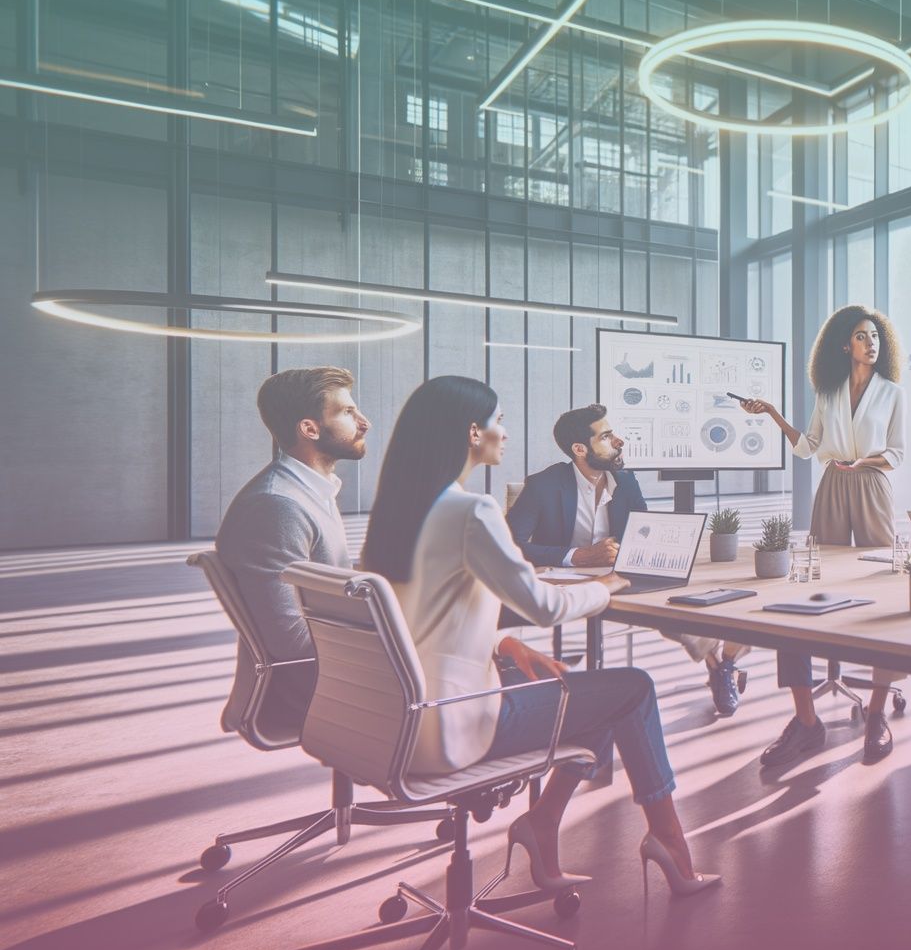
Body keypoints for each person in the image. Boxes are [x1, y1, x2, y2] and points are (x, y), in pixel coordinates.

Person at [360, 376, 717, 896]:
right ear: (470, 434)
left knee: (588, 692)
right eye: (498, 422)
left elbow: (413, 617)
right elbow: (544, 605)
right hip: (455, 726)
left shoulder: (401, 512)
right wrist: (608, 584)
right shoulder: (469, 511)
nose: (504, 433)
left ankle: (543, 822)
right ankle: (670, 844)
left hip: (403, 718)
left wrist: (503, 644)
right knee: (632, 689)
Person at [739, 304, 907, 764]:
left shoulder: (892, 392)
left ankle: (876, 713)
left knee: (883, 594)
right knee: (811, 590)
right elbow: (808, 447)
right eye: (861, 335)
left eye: (875, 336)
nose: (870, 343)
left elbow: (896, 453)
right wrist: (772, 413)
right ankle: (806, 721)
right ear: (844, 344)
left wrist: (863, 463)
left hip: (871, 484)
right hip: (831, 482)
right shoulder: (828, 392)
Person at [506, 404, 750, 716]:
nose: (619, 441)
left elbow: (642, 531)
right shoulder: (544, 484)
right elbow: (509, 542)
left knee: (678, 605)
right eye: (606, 436)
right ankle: (722, 665)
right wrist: (576, 556)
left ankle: (720, 664)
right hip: (568, 583)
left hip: (621, 577)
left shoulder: (626, 482)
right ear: (580, 449)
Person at [214, 367, 369, 729]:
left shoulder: (309, 491)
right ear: (310, 429)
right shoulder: (277, 505)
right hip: (313, 691)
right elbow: (292, 644)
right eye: (347, 412)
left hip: (338, 675)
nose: (364, 422)